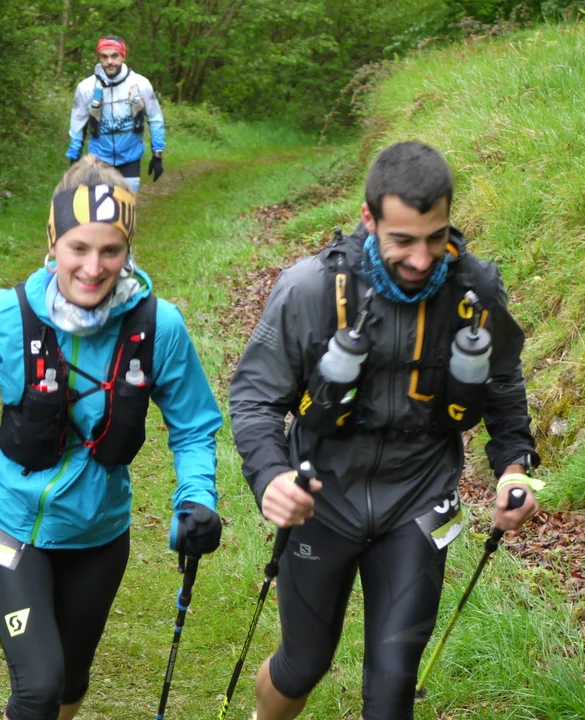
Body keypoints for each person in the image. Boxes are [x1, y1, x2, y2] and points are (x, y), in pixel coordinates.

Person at [228, 141, 543, 720]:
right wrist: (271, 476)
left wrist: (513, 468)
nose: (422, 259)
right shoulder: (310, 289)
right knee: (303, 665)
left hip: (420, 500)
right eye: (403, 240)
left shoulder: (475, 291)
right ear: (369, 219)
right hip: (323, 499)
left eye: (435, 237)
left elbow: (502, 382)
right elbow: (254, 397)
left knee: (393, 685)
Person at [0, 156, 223, 720]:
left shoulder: (160, 327)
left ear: (128, 249)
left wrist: (197, 499)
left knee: (71, 683)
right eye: (79, 248)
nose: (93, 268)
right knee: (39, 686)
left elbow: (194, 427)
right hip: (3, 517)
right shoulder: (0, 315)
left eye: (110, 250)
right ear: (53, 242)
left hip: (97, 529)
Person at [66, 35, 165, 197]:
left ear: (123, 56)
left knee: (127, 206)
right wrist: (74, 156)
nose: (109, 62)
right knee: (100, 209)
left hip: (130, 158)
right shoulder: (85, 88)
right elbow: (77, 123)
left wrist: (157, 154)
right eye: (104, 57)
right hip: (98, 160)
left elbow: (155, 119)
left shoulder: (141, 84)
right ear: (99, 58)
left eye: (114, 56)